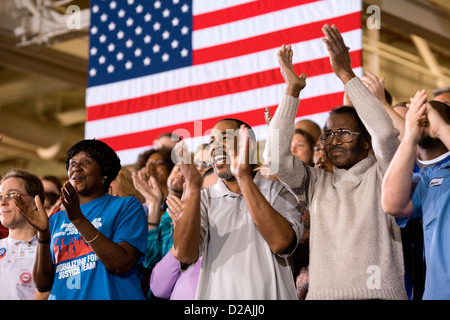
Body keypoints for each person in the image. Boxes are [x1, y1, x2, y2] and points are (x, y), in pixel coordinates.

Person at [264, 24, 407, 299]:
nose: (333, 140)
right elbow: (275, 159)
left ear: (366, 142)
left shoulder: (385, 172)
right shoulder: (316, 183)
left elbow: (387, 133)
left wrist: (345, 73)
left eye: (344, 133)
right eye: (328, 134)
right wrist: (292, 91)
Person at [171, 118, 303, 300]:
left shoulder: (280, 191)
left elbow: (281, 243)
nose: (215, 146)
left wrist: (243, 179)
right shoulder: (201, 198)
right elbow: (185, 255)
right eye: (211, 142)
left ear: (248, 146)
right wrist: (193, 188)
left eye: (224, 138)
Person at [15, 139, 147, 300]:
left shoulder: (126, 206)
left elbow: (121, 263)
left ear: (104, 172)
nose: (76, 168)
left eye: (86, 162)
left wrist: (78, 219)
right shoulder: (56, 219)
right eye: (72, 164)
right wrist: (43, 235)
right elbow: (43, 285)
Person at [381, 90, 450, 299]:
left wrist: (441, 128)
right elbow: (392, 204)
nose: (425, 118)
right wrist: (410, 137)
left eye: (432, 114)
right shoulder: (426, 178)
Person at [132, 161, 186, 298]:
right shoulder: (166, 214)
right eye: (178, 168)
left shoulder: (195, 209)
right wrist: (154, 205)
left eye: (186, 171)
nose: (180, 173)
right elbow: (150, 260)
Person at [0, 169, 45, 300]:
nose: (3, 202)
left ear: (34, 204)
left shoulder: (49, 250)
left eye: (12, 195)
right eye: (0, 196)